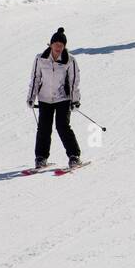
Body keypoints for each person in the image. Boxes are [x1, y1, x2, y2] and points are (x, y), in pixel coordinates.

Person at [26, 27, 82, 169]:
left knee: (62, 126)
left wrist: (75, 100)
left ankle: (74, 156)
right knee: (43, 128)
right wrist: (31, 97)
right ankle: (41, 158)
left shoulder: (70, 61)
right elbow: (35, 78)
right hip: (45, 98)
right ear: (50, 44)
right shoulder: (40, 58)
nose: (58, 47)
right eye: (56, 44)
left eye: (61, 45)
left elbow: (74, 81)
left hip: (63, 98)